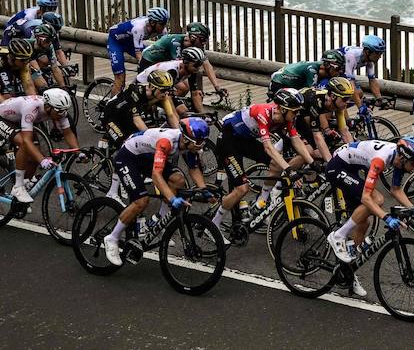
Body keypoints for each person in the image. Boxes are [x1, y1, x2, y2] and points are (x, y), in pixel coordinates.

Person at [322, 136, 414, 298]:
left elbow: (396, 190)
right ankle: (338, 236)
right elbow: (366, 198)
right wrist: (387, 218)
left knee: (364, 224)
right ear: (404, 157)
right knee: (377, 199)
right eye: (413, 164)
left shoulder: (399, 157)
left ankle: (347, 271)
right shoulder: (381, 159)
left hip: (351, 169)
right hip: (337, 167)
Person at [101, 117, 212, 266]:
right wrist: (172, 199)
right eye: (199, 142)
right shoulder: (166, 142)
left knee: (177, 180)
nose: (201, 145)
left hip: (147, 156)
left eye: (203, 141)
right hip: (128, 157)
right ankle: (112, 238)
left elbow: (193, 168)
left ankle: (158, 220)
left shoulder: (188, 144)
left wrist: (204, 189)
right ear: (186, 139)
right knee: (141, 201)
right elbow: (156, 175)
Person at [212, 88, 314, 232]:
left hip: (244, 140)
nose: (297, 114)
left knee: (275, 165)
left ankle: (262, 201)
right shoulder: (264, 113)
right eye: (295, 111)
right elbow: (268, 148)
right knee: (242, 188)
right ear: (284, 109)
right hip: (228, 139)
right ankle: (214, 224)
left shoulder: (288, 118)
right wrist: (289, 169)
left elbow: (296, 141)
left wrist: (312, 162)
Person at [0, 88, 80, 203]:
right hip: (1, 118)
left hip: (19, 120)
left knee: (34, 156)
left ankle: (25, 182)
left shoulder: (58, 110)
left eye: (65, 110)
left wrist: (79, 153)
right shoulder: (31, 108)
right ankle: (18, 187)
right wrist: (42, 160)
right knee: (24, 144)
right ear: (48, 106)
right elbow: (27, 141)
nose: (62, 114)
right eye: (59, 111)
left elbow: (68, 133)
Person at [138, 21, 229, 99]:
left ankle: (167, 106)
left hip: (162, 65)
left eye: (205, 40)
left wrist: (217, 87)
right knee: (182, 88)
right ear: (193, 37)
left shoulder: (196, 46)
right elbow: (181, 67)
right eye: (202, 39)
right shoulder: (176, 42)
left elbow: (207, 65)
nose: (204, 43)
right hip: (149, 62)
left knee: (182, 88)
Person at [98, 67, 179, 148]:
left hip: (127, 115)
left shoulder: (162, 96)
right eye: (163, 90)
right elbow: (137, 121)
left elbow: (171, 115)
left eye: (168, 90)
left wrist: (179, 134)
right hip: (111, 116)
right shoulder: (135, 92)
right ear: (151, 87)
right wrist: (151, 140)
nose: (166, 93)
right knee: (128, 145)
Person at [105, 8, 168, 94]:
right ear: (153, 23)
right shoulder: (139, 28)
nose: (164, 27)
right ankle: (111, 106)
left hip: (130, 42)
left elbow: (164, 49)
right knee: (120, 80)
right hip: (116, 42)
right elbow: (139, 55)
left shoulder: (162, 30)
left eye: (165, 24)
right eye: (162, 24)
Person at [296, 77, 356, 162]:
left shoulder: (337, 104)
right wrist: (331, 164)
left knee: (325, 142)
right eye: (345, 99)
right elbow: (317, 135)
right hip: (295, 116)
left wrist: (355, 154)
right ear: (333, 96)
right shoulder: (317, 101)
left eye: (349, 98)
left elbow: (344, 131)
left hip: (307, 113)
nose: (347, 103)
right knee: (312, 151)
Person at [343, 34, 386, 101]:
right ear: (368, 51)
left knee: (359, 94)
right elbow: (351, 84)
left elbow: (372, 80)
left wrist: (379, 99)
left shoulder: (369, 60)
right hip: (330, 71)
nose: (380, 57)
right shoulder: (352, 56)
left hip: (343, 72)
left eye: (381, 54)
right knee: (350, 94)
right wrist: (361, 107)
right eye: (378, 53)